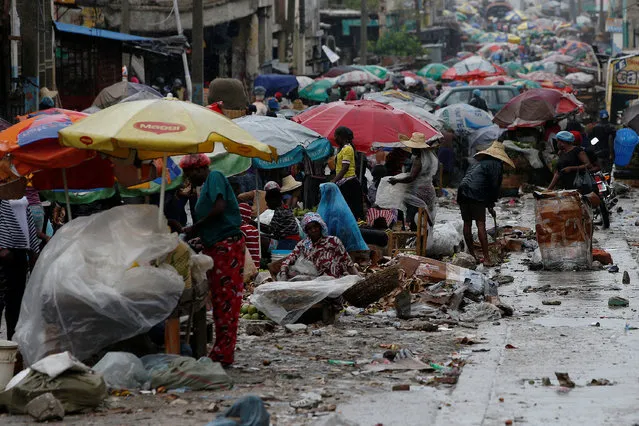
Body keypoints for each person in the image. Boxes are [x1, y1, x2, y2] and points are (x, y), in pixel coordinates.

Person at [180, 154, 245, 366]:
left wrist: (195, 228)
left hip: (226, 246)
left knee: (227, 300)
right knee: (220, 300)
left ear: (200, 169)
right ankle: (221, 350)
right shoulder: (206, 185)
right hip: (217, 246)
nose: (191, 180)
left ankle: (224, 352)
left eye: (191, 175)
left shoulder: (215, 176)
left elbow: (219, 208)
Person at [457, 141, 514, 266]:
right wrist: (491, 204)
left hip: (462, 190)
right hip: (476, 193)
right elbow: (494, 187)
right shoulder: (497, 165)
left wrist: (489, 205)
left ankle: (472, 256)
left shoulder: (479, 164)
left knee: (467, 223)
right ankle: (487, 259)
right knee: (480, 224)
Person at [0, 197, 41, 339]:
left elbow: (27, 218)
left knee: (16, 299)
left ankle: (12, 343)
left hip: (20, 250)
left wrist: (33, 250)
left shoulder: (18, 189)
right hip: (5, 251)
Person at [278, 212, 356, 280]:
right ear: (306, 231)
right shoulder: (303, 245)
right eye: (309, 228)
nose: (313, 230)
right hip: (313, 280)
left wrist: (358, 277)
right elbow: (290, 258)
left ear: (320, 226)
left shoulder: (333, 241)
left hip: (334, 279)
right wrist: (284, 272)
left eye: (315, 226)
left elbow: (348, 262)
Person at [388, 133, 439, 230]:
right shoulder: (429, 158)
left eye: (413, 147)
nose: (411, 149)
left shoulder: (418, 160)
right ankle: (422, 240)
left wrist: (396, 180)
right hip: (428, 190)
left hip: (418, 192)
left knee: (413, 218)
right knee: (424, 218)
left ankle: (414, 238)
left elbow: (411, 178)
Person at [331, 126, 364, 220]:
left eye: (336, 136)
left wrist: (334, 180)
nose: (335, 138)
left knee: (351, 211)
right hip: (344, 183)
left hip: (349, 183)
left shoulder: (348, 149)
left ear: (341, 137)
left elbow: (345, 168)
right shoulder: (342, 149)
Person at [264, 182, 300, 250]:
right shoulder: (286, 208)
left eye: (268, 202)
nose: (267, 204)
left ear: (273, 201)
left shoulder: (279, 211)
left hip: (288, 243)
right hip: (293, 241)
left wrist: (253, 224)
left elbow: (269, 230)